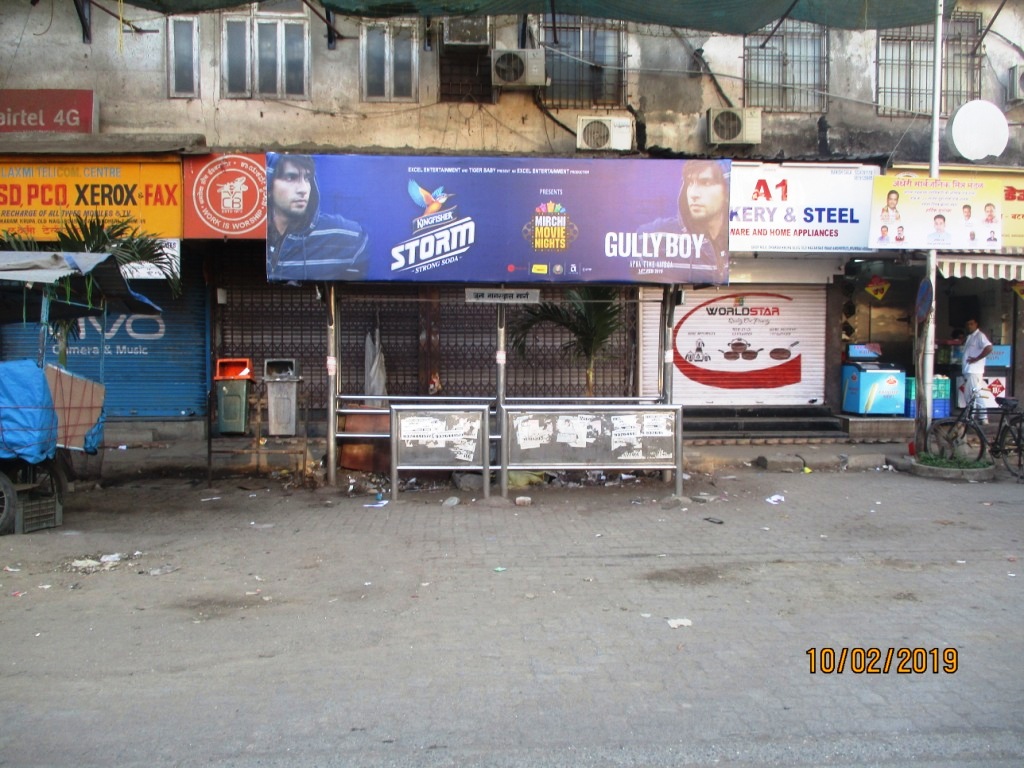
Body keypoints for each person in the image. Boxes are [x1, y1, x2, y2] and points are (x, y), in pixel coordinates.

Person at [267, 153, 369, 282]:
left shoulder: (345, 237)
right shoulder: (254, 233)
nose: (303, 189)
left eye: (307, 178)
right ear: (269, 187)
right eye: (291, 177)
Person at [636, 160, 729, 282]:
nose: (693, 194)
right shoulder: (653, 237)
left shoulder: (742, 239)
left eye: (705, 183)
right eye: (690, 183)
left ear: (727, 190)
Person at [961, 317, 993, 424]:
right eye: (968, 324)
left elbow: (989, 348)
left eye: (971, 324)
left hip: (974, 371)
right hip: (969, 371)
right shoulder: (970, 337)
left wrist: (977, 358)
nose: (969, 326)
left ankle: (976, 417)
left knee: (971, 394)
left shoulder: (980, 336)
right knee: (975, 394)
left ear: (976, 324)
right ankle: (981, 417)